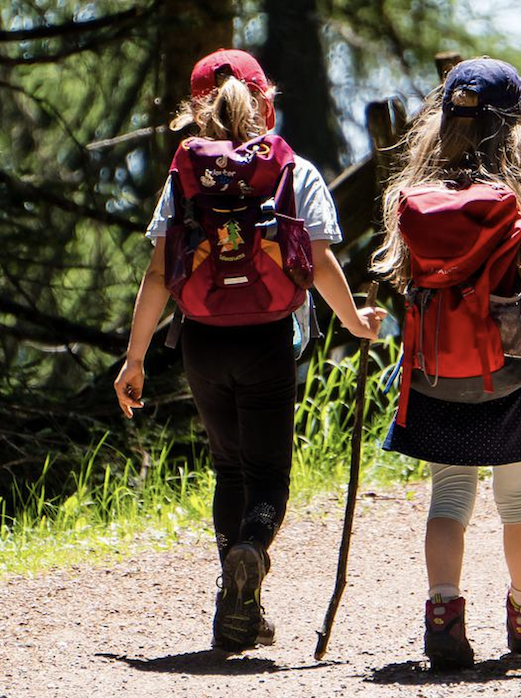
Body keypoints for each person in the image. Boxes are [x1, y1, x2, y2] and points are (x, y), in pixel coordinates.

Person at [113, 48, 385, 652]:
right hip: (268, 338)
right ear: (266, 103)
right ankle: (252, 552)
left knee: (229, 469)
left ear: (196, 111)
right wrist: (356, 323)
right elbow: (318, 263)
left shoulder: (184, 178)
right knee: (268, 476)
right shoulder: (292, 170)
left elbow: (158, 274)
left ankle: (237, 605)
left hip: (202, 340)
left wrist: (134, 360)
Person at [371, 57, 521, 669]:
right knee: (519, 499)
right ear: (518, 129)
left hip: (432, 378)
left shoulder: (414, 198)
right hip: (507, 379)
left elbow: (403, 279)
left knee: (449, 497)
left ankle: (442, 610)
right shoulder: (519, 199)